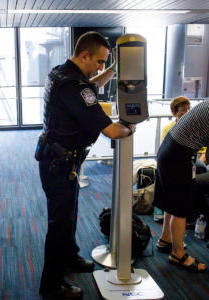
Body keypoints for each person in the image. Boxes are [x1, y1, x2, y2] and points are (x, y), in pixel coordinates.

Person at [37, 31, 135, 298]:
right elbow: (112, 131)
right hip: (60, 163)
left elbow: (89, 85)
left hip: (58, 159)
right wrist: (130, 128)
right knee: (59, 224)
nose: (100, 67)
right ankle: (51, 286)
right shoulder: (74, 87)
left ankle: (69, 256)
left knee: (68, 216)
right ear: (84, 56)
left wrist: (114, 69)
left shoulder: (62, 73)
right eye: (100, 62)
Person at [152, 100, 209, 273]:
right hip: (178, 154)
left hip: (170, 149)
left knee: (173, 198)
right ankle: (178, 253)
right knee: (181, 205)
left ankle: (166, 239)